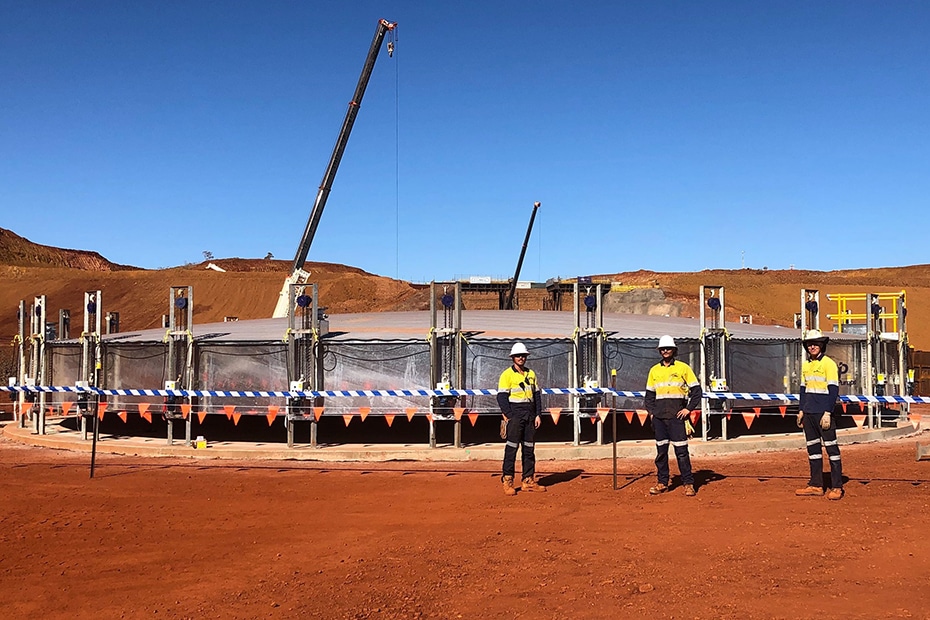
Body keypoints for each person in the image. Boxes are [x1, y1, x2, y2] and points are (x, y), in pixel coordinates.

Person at [644, 335, 701, 496]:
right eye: (662, 349)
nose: (665, 351)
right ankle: (662, 482)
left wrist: (688, 409)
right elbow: (649, 396)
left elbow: (697, 391)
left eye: (668, 348)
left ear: (674, 350)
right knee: (661, 452)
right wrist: (652, 413)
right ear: (659, 351)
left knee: (681, 452)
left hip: (678, 418)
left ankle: (688, 483)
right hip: (660, 418)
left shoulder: (683, 368)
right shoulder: (654, 370)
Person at [795, 329, 844, 500]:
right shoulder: (806, 365)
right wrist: (801, 410)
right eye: (810, 344)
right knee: (813, 451)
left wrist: (828, 412)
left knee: (832, 450)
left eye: (816, 343)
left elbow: (833, 390)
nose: (812, 346)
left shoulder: (829, 364)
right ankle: (816, 485)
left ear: (822, 345)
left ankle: (837, 486)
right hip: (809, 414)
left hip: (823, 414)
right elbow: (803, 389)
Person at [497, 342, 546, 496]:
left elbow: (537, 396)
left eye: (523, 355)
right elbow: (501, 397)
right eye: (518, 356)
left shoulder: (531, 374)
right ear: (513, 357)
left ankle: (528, 480)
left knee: (529, 449)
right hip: (515, 414)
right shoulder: (506, 375)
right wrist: (510, 416)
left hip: (530, 414)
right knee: (511, 448)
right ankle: (508, 480)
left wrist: (538, 414)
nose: (521, 358)